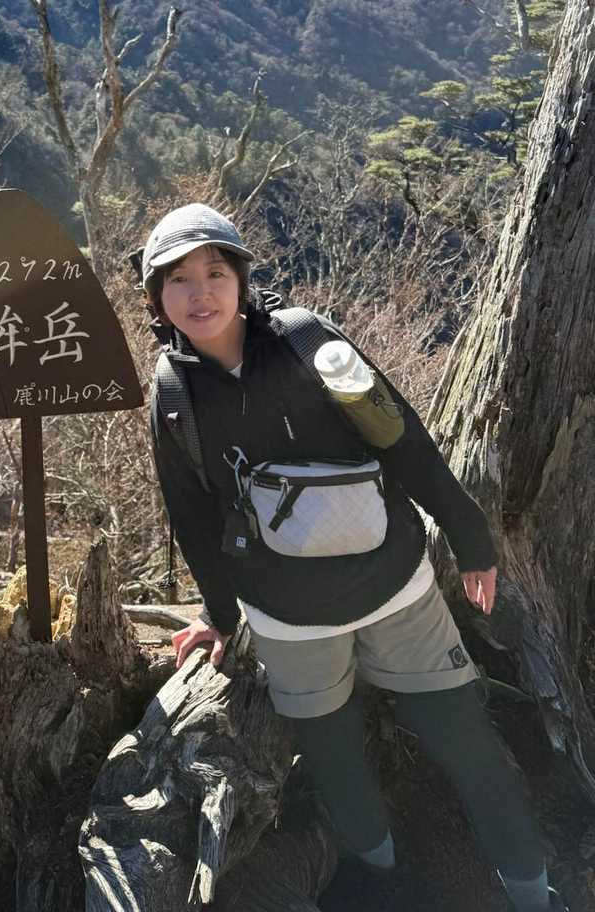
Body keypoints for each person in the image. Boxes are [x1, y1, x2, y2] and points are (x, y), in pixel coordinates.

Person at [141, 202, 567, 912]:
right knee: (334, 760)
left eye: (215, 272)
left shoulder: (310, 344)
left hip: (395, 587)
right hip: (286, 618)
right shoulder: (173, 394)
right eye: (178, 279)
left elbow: (400, 438)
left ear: (242, 279)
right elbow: (191, 514)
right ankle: (382, 879)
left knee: (466, 741)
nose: (200, 293)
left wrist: (469, 535)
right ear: (157, 298)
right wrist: (219, 614)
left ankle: (533, 894)